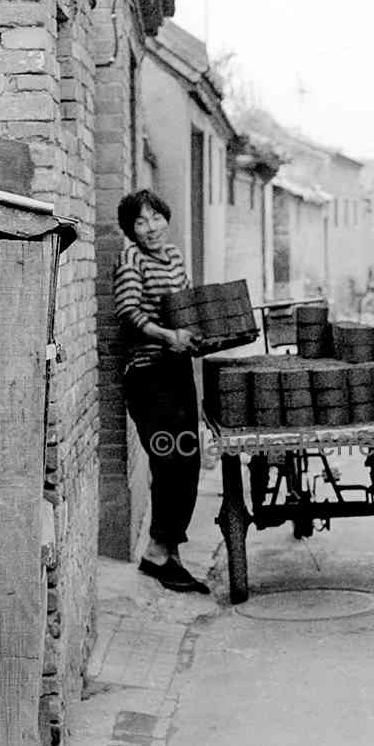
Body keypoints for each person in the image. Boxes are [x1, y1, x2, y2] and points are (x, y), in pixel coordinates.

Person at [113, 189, 209, 594]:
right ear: (131, 230)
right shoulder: (130, 259)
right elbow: (128, 312)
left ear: (165, 219)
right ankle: (160, 551)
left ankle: (165, 551)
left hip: (177, 370)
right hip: (148, 374)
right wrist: (166, 335)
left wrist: (195, 334)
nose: (150, 228)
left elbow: (184, 305)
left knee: (187, 459)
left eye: (155, 218)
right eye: (140, 222)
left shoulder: (173, 256)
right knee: (168, 458)